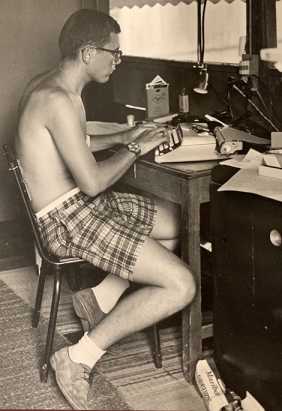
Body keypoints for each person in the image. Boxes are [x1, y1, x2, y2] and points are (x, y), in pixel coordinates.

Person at [16, 8, 196, 410]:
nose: (118, 61)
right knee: (181, 285)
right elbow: (93, 182)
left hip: (71, 205)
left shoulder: (48, 86)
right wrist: (134, 148)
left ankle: (100, 298)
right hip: (67, 220)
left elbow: (72, 143)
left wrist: (128, 133)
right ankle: (78, 356)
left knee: (175, 222)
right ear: (87, 52)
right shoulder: (58, 98)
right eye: (114, 53)